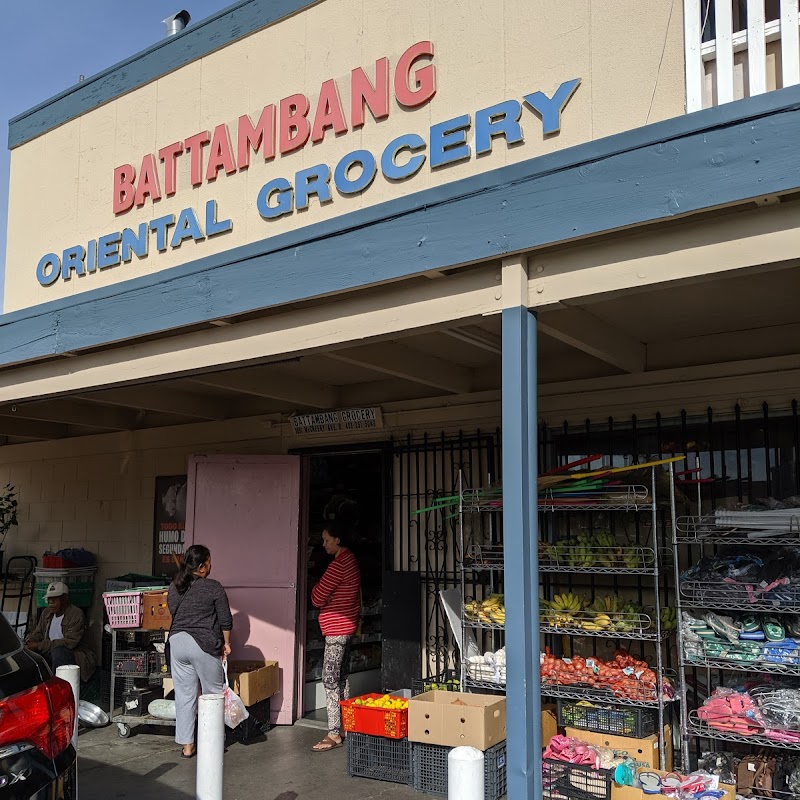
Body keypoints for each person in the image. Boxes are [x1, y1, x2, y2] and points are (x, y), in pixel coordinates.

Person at [167, 544, 233, 759]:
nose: (211, 566)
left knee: (185, 697)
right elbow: (225, 619)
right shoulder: (213, 587)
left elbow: (173, 613)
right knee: (212, 695)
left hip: (177, 642)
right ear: (203, 566)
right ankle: (212, 743)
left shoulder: (175, 587)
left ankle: (187, 746)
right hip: (202, 644)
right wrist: (227, 644)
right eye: (210, 562)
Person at [310, 521, 361, 752]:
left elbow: (317, 597)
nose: (324, 544)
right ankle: (345, 726)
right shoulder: (351, 561)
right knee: (342, 677)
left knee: (329, 678)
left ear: (337, 539)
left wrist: (327, 599)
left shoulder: (339, 565)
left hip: (336, 629)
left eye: (327, 540)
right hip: (348, 626)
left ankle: (333, 732)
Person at [25, 582, 97, 682]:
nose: (51, 602)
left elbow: (69, 643)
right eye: (49, 599)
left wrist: (39, 645)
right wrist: (29, 641)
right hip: (49, 651)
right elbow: (39, 632)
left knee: (58, 652)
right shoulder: (46, 613)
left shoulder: (76, 614)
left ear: (65, 599)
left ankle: (59, 685)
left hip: (74, 655)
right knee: (28, 652)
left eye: (55, 599)